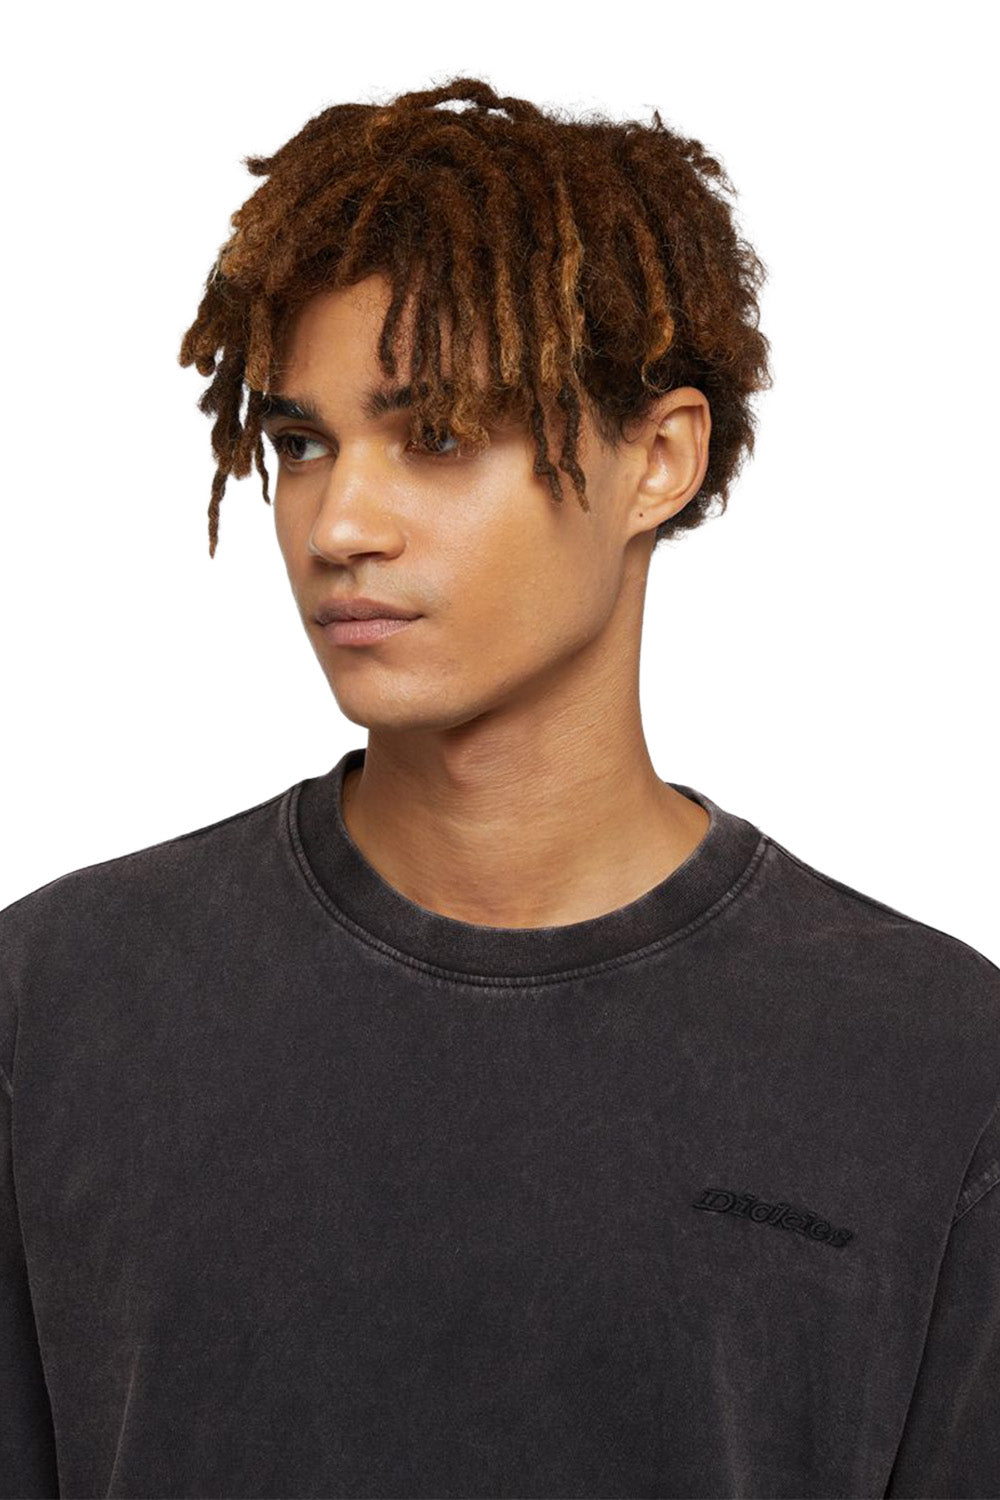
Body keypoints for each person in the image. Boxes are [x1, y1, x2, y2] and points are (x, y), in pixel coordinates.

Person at [2, 75, 997, 1500]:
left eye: (438, 436)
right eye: (302, 444)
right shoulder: (59, 1001)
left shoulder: (932, 1062)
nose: (339, 524)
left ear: (659, 459)